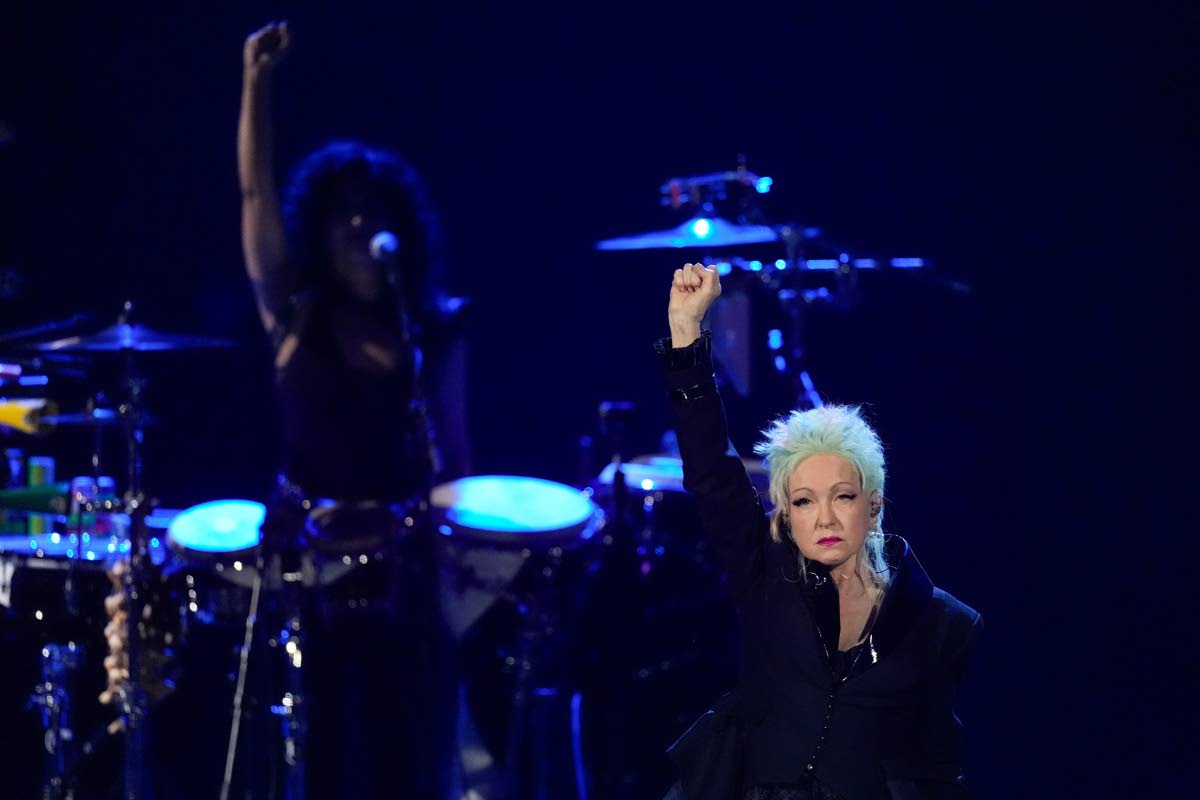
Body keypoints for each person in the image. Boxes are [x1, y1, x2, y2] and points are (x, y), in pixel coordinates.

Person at [235, 21, 466, 799]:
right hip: (308, 570)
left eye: (374, 212)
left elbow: (455, 459)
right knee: (323, 753)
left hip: (404, 574)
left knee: (409, 758)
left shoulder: (430, 331)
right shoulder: (295, 315)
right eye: (345, 214)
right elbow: (255, 194)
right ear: (321, 229)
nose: (361, 227)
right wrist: (257, 85)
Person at [658, 263, 981, 800]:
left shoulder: (942, 623)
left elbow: (937, 769)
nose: (825, 518)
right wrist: (687, 336)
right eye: (805, 502)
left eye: (843, 497)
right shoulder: (766, 577)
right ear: (784, 514)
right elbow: (712, 471)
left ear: (873, 508)